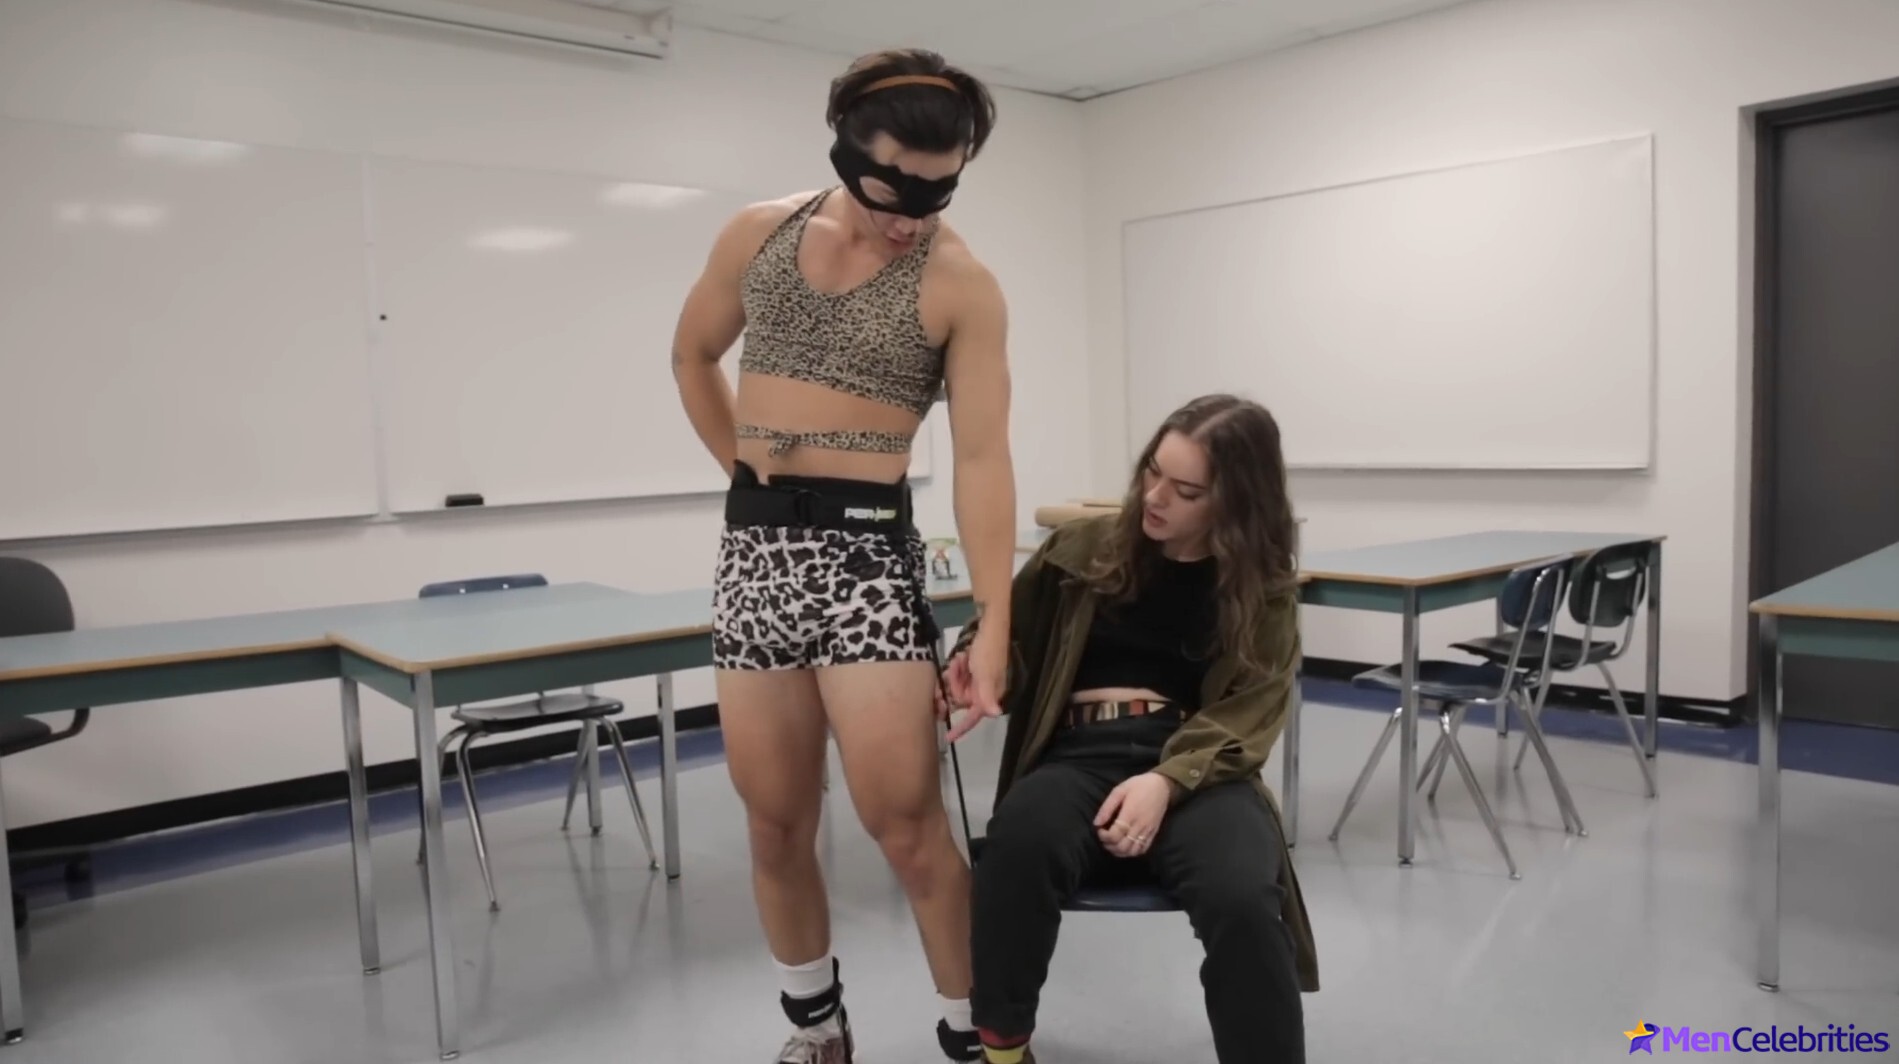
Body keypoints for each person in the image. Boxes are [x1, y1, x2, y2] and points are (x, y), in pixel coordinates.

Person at [670, 47, 1017, 1064]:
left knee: (904, 821)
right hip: (755, 560)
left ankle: (977, 1035)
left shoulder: (960, 283)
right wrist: (748, 474)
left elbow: (983, 457)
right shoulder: (758, 234)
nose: (912, 217)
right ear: (846, 152)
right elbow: (692, 353)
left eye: (939, 192)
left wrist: (994, 620)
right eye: (894, 190)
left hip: (865, 563)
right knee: (774, 821)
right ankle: (817, 1028)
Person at [940, 394, 1319, 1064]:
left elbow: (1250, 713)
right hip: (1076, 754)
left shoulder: (1262, 593)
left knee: (1242, 898)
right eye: (1152, 471)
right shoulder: (1079, 552)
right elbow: (1009, 637)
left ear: (1234, 502)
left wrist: (1165, 782)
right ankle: (1001, 1053)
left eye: (1186, 491)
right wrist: (978, 660)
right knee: (1014, 852)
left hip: (1200, 769)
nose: (1154, 497)